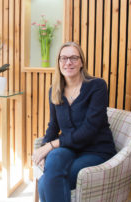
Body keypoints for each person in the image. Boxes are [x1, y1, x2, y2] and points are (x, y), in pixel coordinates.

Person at [32, 41, 117, 202]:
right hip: (70, 148)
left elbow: (90, 129)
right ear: (58, 63)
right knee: (54, 162)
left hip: (96, 150)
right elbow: (53, 126)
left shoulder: (97, 86)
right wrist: (44, 149)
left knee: (45, 182)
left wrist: (51, 145)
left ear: (81, 62)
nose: (68, 62)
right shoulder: (54, 91)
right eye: (63, 58)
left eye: (73, 58)